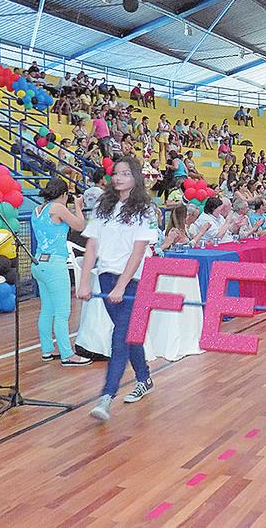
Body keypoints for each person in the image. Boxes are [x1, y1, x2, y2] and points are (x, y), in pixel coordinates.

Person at [77, 156, 161, 421]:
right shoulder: (104, 204)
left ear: (135, 177)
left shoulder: (144, 209)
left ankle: (106, 397)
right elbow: (92, 244)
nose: (118, 177)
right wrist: (84, 281)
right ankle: (144, 378)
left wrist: (123, 284)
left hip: (134, 279)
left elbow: (138, 250)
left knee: (120, 334)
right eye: (116, 173)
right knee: (130, 333)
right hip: (106, 277)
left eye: (125, 173)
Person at [31, 179, 92, 367]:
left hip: (38, 262)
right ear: (64, 194)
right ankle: (67, 354)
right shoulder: (58, 207)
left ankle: (47, 350)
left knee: (47, 309)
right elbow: (80, 226)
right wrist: (78, 207)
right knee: (62, 311)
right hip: (55, 264)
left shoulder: (37, 209)